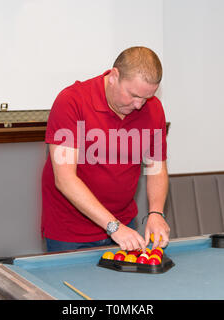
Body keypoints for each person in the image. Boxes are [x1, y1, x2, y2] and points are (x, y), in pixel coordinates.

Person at [41, 46, 169, 253]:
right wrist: (113, 226)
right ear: (113, 76)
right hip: (71, 232)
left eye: (146, 97)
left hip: (125, 225)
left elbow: (156, 168)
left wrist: (156, 212)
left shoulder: (153, 109)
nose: (139, 105)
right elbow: (65, 179)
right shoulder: (71, 101)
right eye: (134, 95)